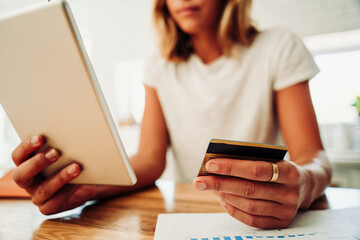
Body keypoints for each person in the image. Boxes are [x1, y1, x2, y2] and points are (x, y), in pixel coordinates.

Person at [10, 0, 331, 229]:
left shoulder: (278, 46)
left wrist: (302, 183)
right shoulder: (159, 67)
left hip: (261, 216)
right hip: (184, 215)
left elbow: (311, 155)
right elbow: (150, 160)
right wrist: (91, 187)